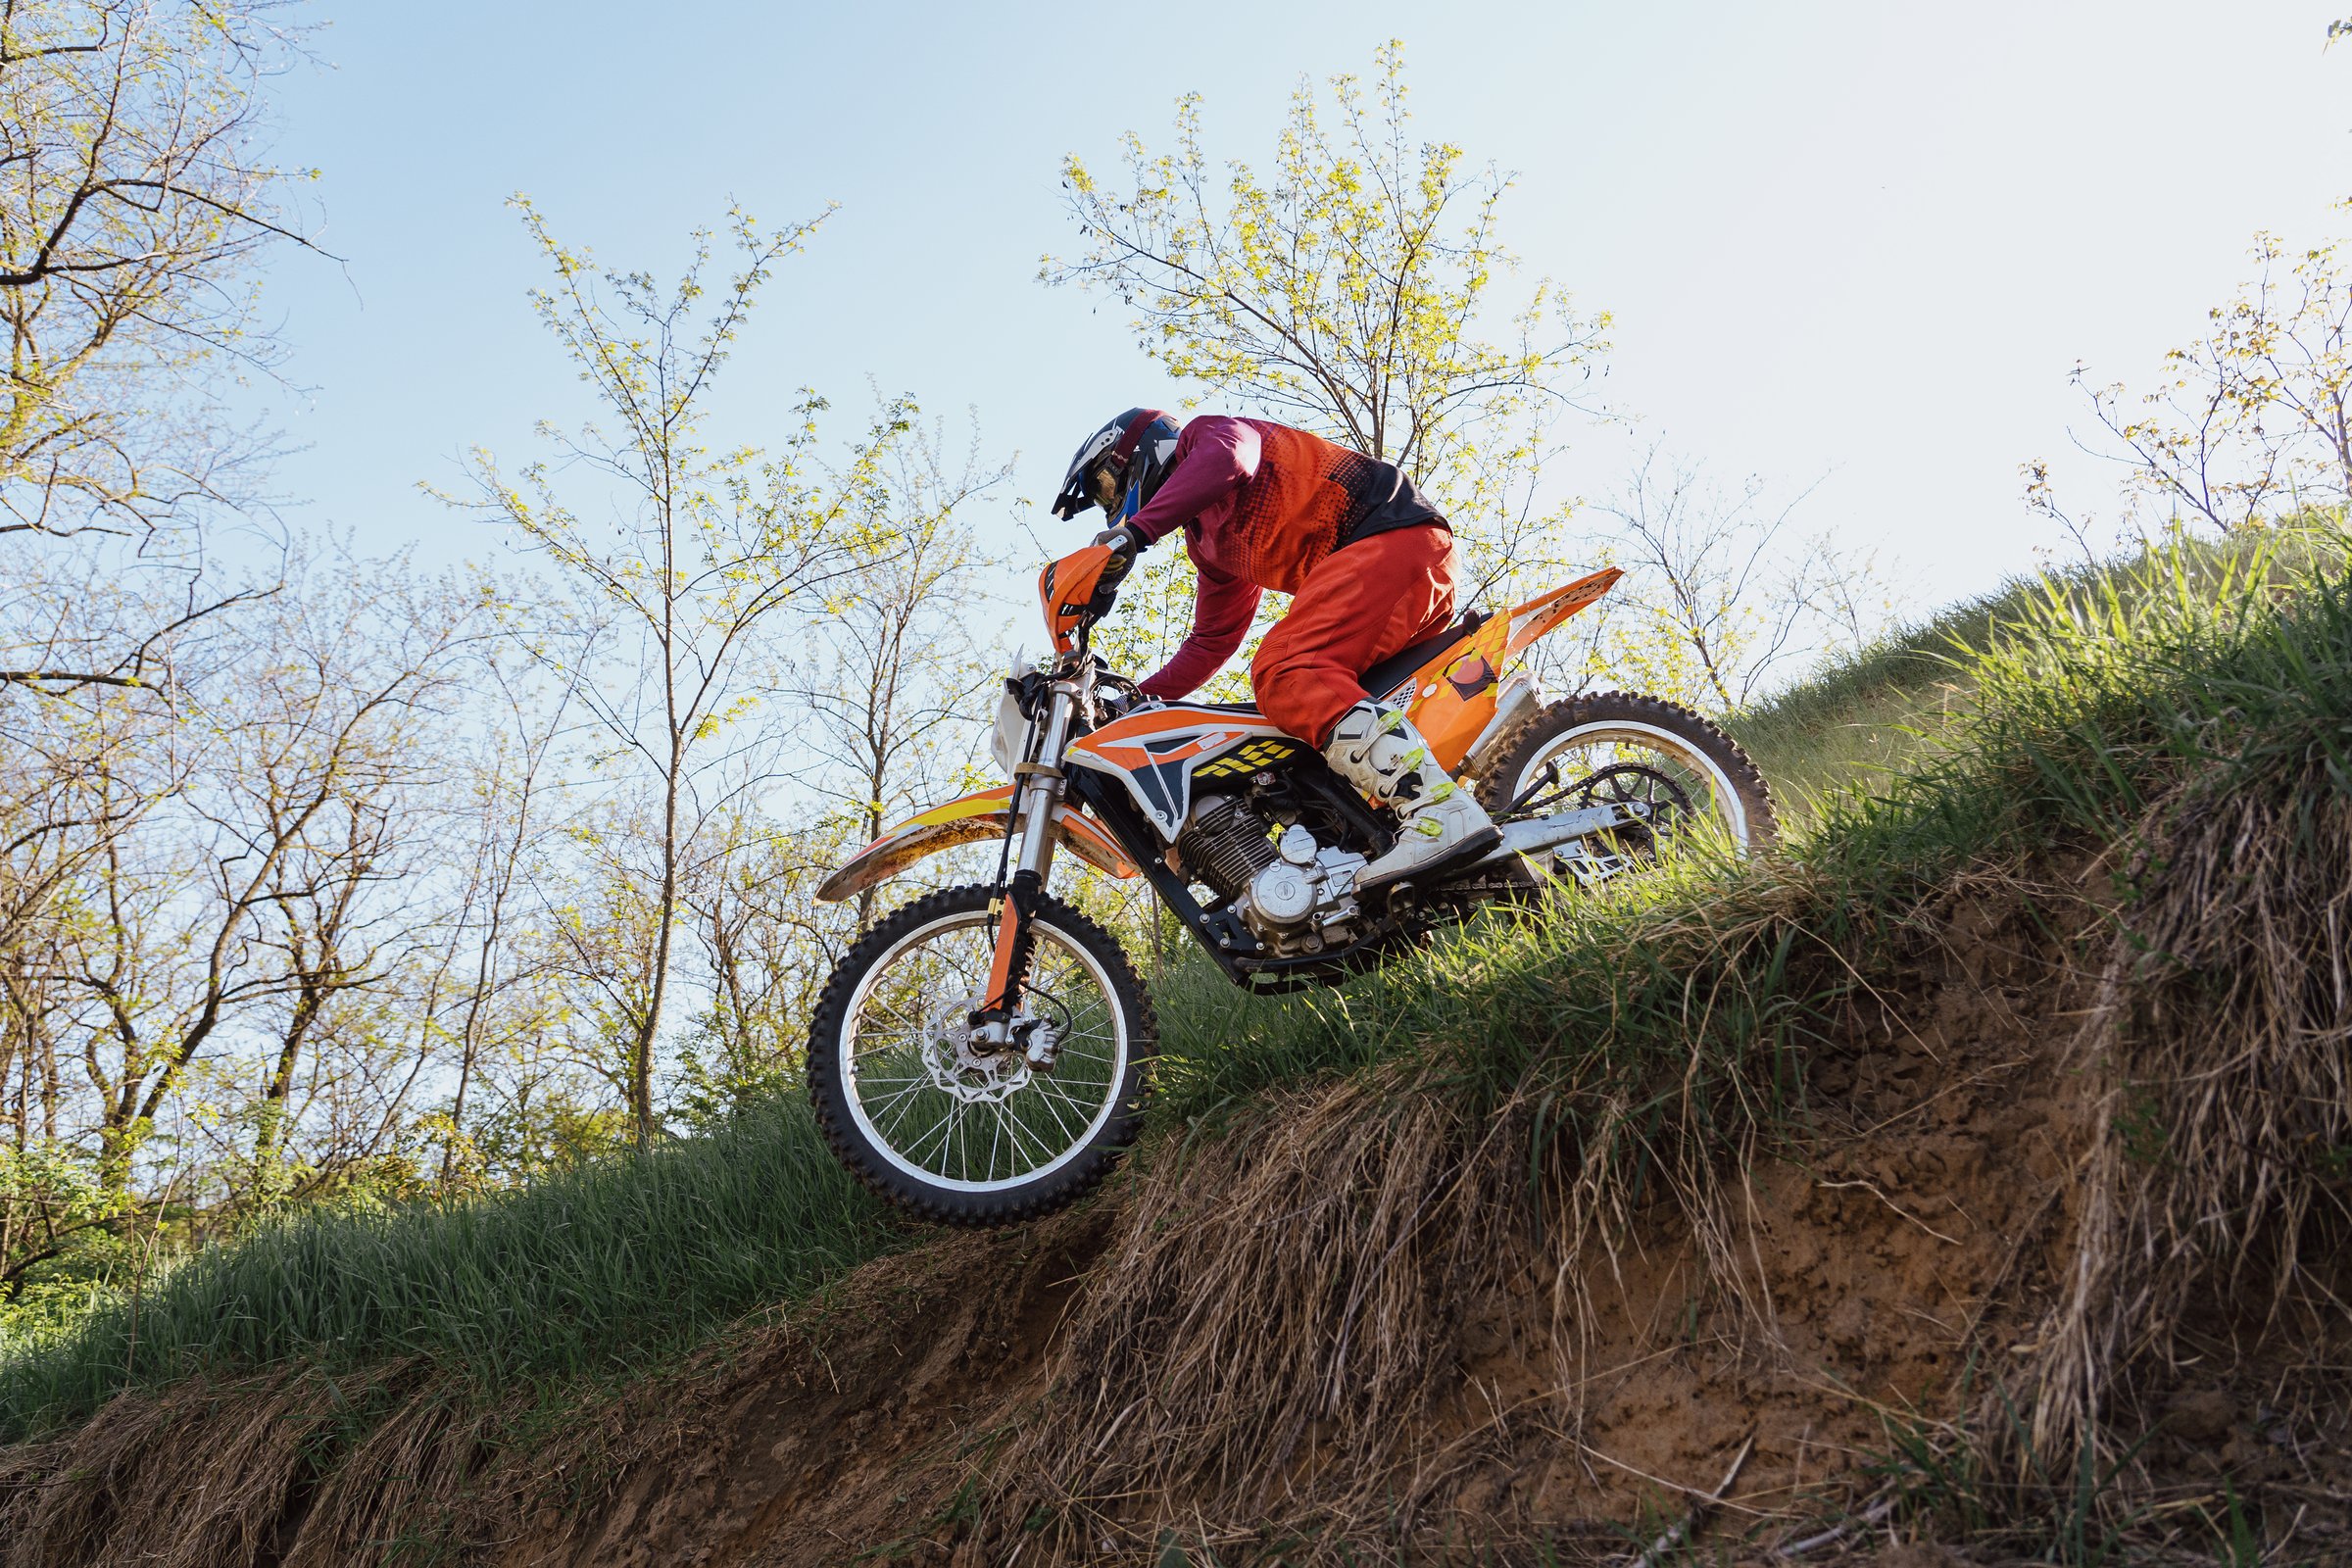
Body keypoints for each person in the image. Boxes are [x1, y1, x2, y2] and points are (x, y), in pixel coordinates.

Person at [1050, 407, 1500, 889]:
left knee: (1287, 672)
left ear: (1133, 451)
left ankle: (1436, 810)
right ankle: (1387, 840)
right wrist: (1134, 700)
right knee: (1311, 716)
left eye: (1104, 485)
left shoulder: (1206, 438)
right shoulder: (1208, 544)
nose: (1108, 502)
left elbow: (1231, 459)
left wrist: (1135, 533)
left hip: (1389, 538)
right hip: (1392, 575)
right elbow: (1211, 641)